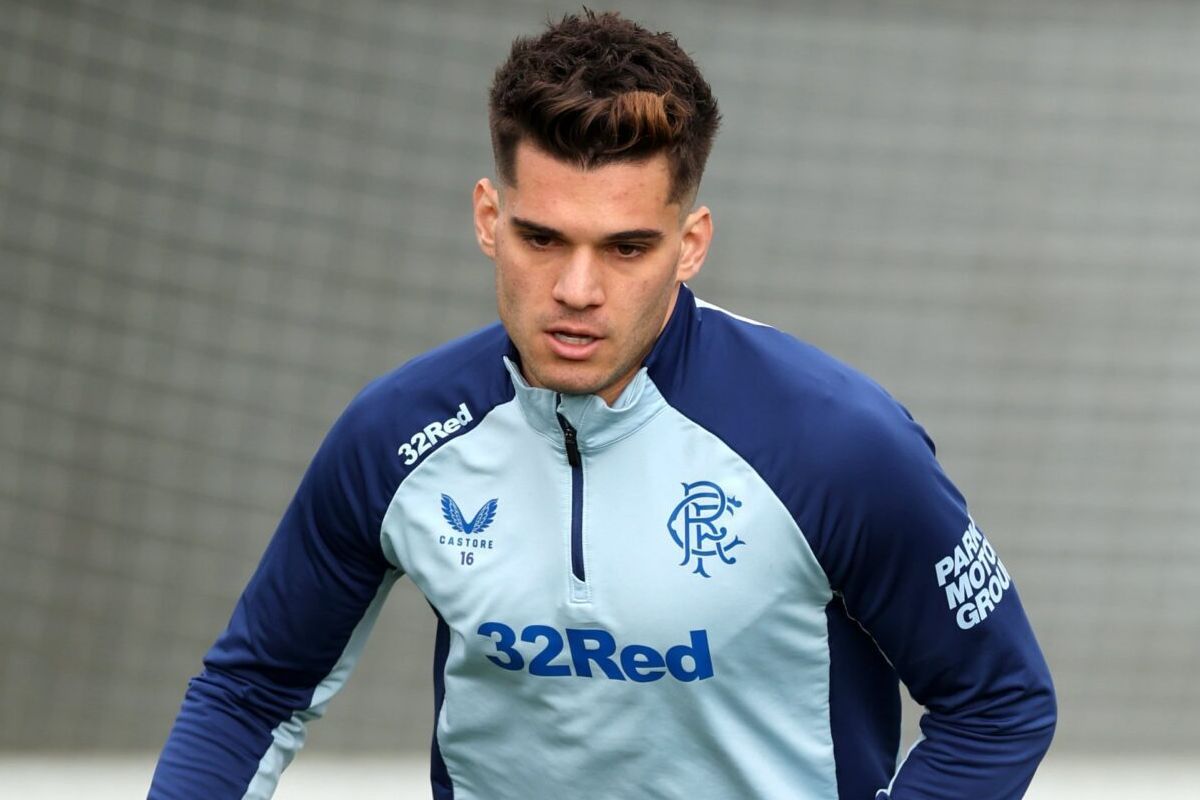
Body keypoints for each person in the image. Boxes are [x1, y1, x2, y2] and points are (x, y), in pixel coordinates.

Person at [150, 10, 1055, 799]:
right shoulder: (394, 435)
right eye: (542, 238)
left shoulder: (837, 442)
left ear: (690, 244)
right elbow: (253, 692)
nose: (576, 290)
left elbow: (1000, 703)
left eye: (626, 249)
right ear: (488, 218)